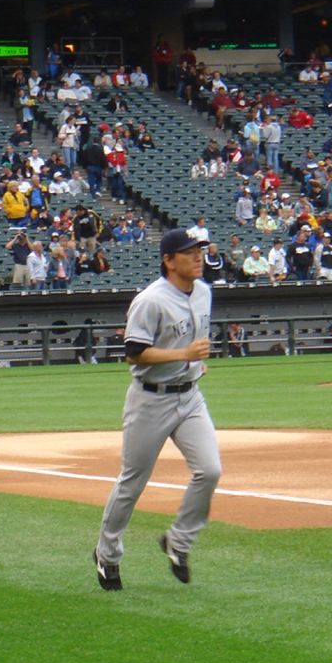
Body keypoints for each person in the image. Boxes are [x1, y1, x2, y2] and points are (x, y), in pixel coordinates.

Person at [93, 228, 221, 591]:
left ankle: (178, 542)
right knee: (132, 482)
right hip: (150, 400)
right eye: (189, 252)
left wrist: (192, 365)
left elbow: (189, 342)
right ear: (168, 260)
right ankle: (107, 553)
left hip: (190, 396)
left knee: (209, 470)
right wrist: (184, 355)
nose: (198, 256)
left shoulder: (204, 292)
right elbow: (134, 352)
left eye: (199, 250)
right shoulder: (151, 300)